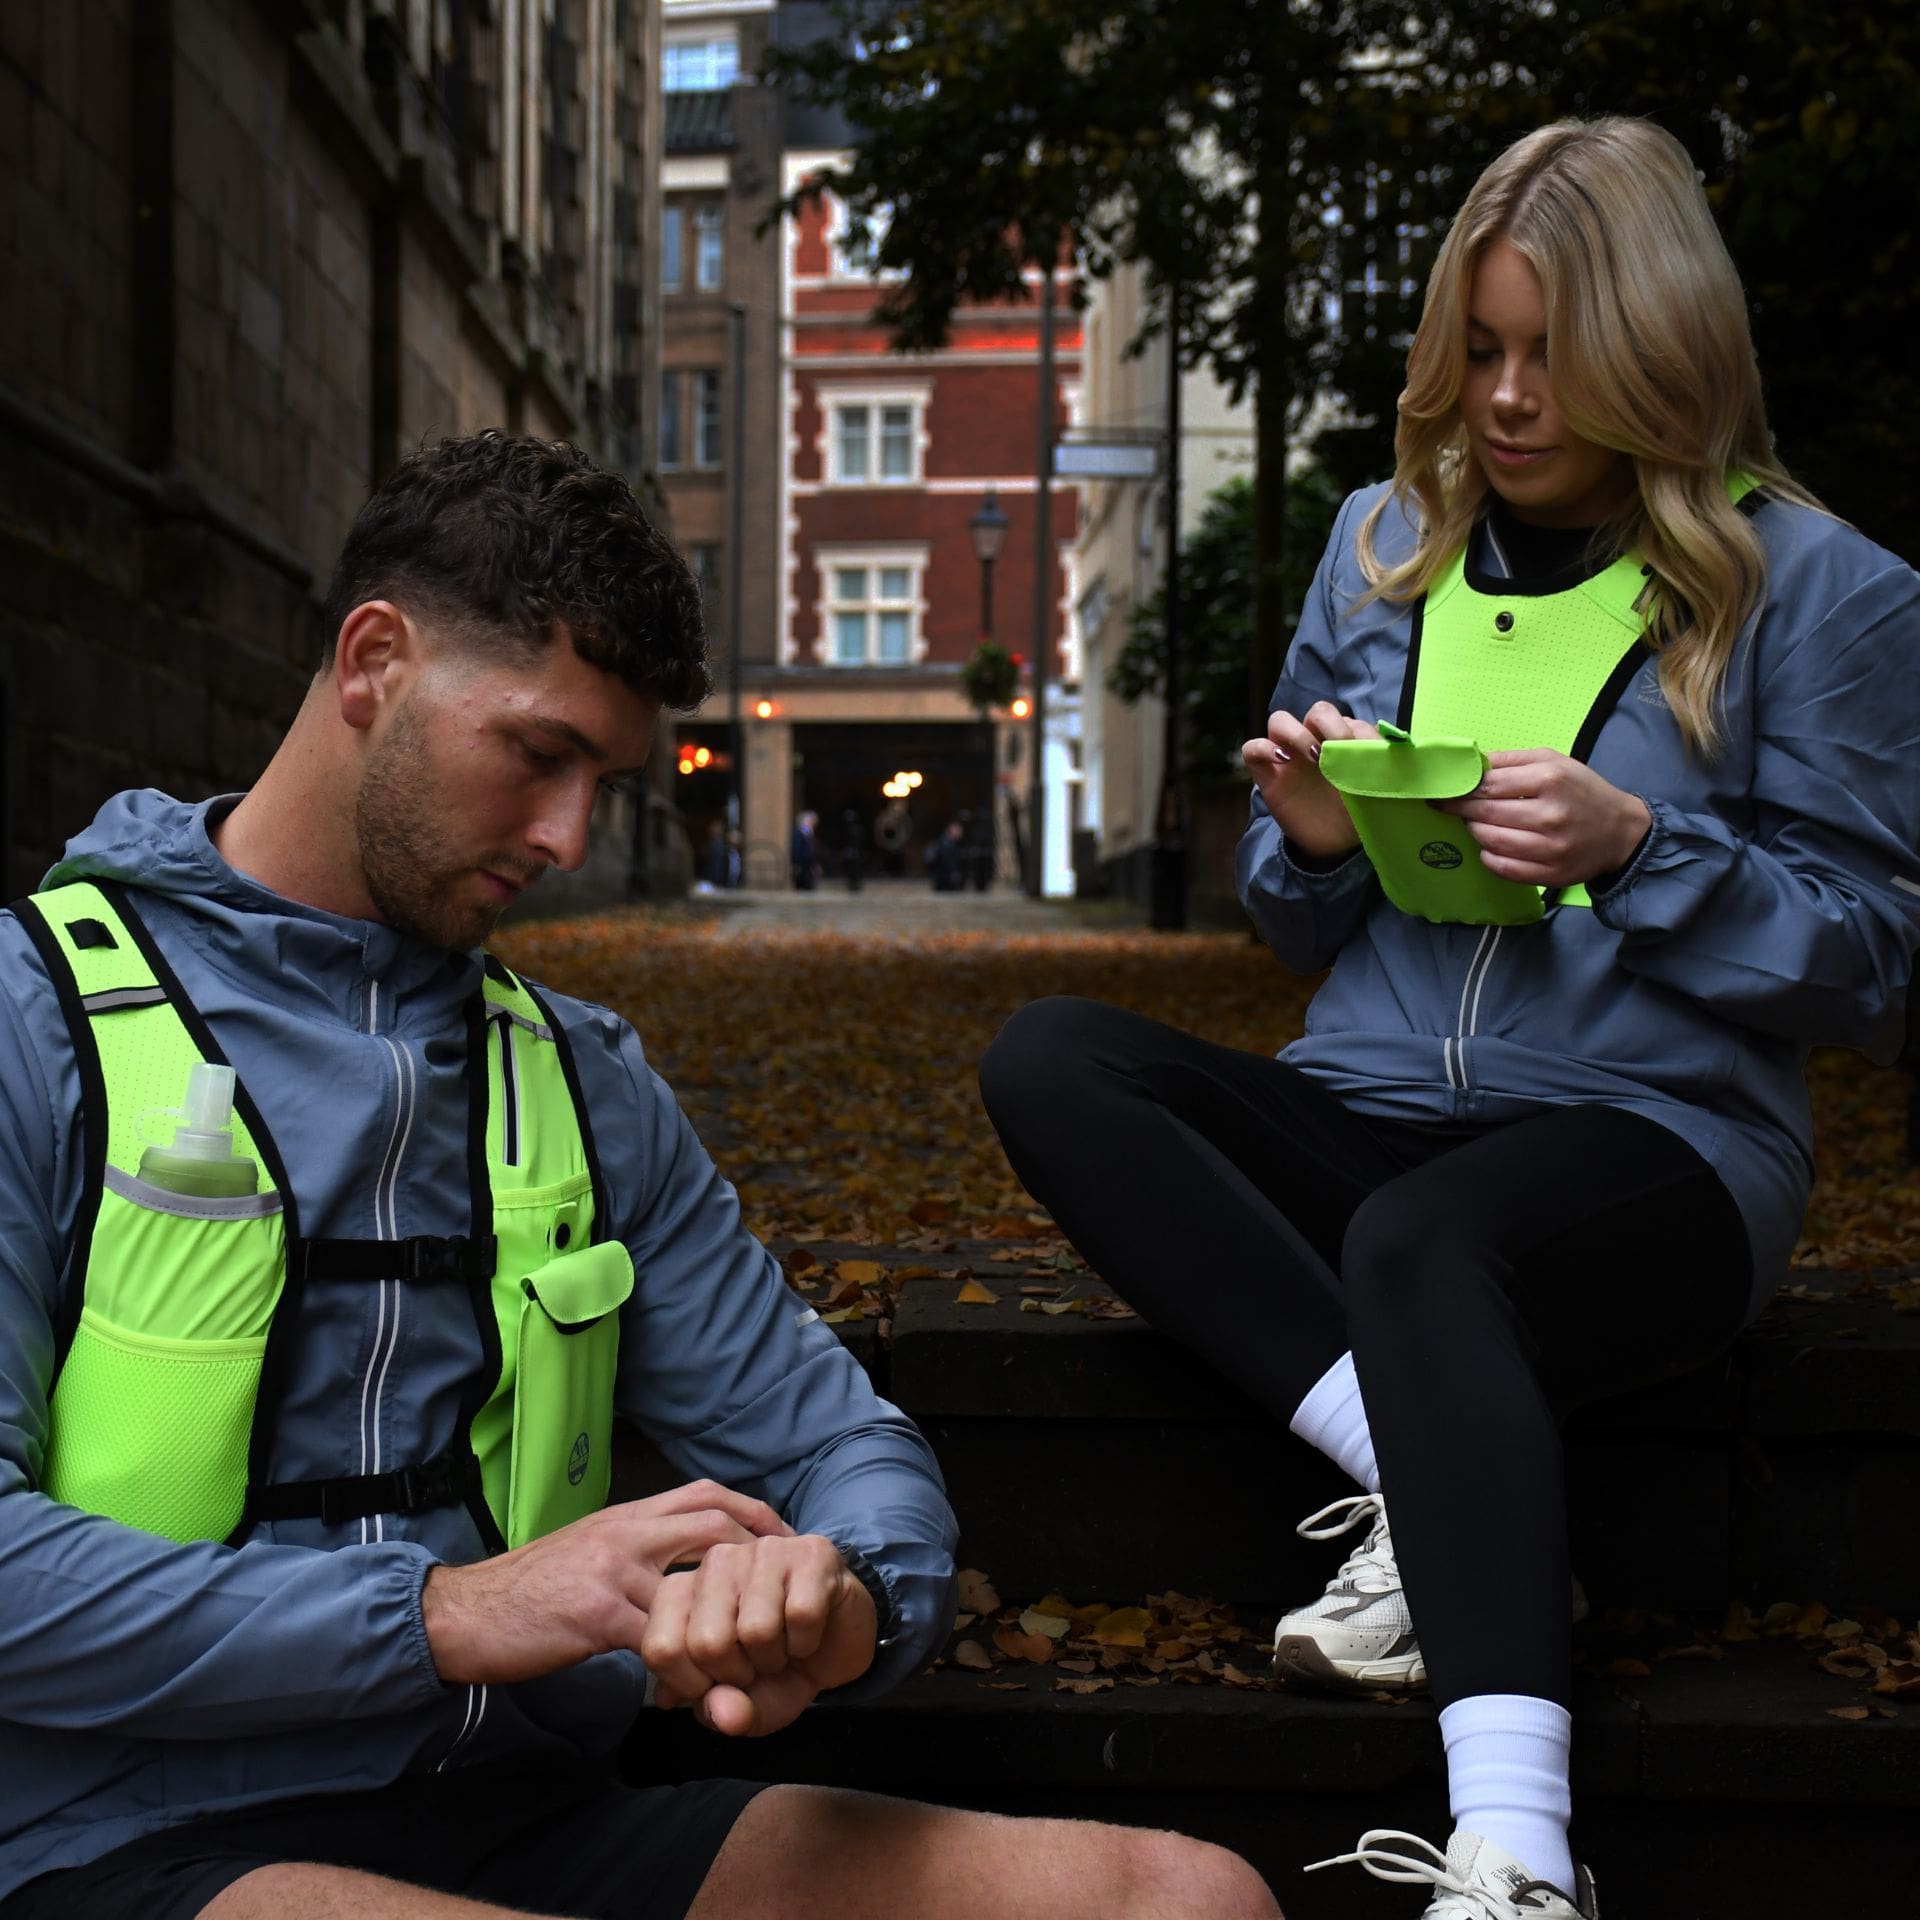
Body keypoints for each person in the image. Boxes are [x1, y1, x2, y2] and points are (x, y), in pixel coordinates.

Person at [0, 433, 1278, 1920]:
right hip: (120, 1835)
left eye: (603, 781)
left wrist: (844, 1599)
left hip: (526, 1812)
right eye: (538, 755)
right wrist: (445, 1613)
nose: (566, 837)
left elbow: (838, 1442)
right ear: (373, 663)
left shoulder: (583, 1078)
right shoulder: (33, 1016)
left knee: (1188, 1901)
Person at [982, 117, 1920, 1920]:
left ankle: (1515, 1857)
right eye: (1476, 347)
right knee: (1056, 1059)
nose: (1502, 397)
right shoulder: (1381, 545)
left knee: (1421, 1242)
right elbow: (1289, 920)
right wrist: (1316, 838)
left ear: (1660, 343)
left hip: (1660, 1148)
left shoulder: (1822, 588)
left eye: (1549, 353)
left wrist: (1638, 849)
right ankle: (1426, 1479)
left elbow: (1872, 959)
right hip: (1375, 1102)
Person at [928, 817, 967, 892]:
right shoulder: (945, 844)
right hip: (945, 882)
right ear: (951, 828)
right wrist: (953, 873)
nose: (961, 832)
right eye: (958, 829)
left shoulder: (952, 843)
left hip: (945, 880)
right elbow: (945, 862)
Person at [789, 809, 820, 891]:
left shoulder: (808, 832)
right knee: (802, 886)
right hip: (801, 865)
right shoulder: (798, 833)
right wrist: (796, 864)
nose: (813, 825)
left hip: (808, 866)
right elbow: (796, 849)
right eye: (811, 822)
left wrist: (814, 864)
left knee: (808, 886)